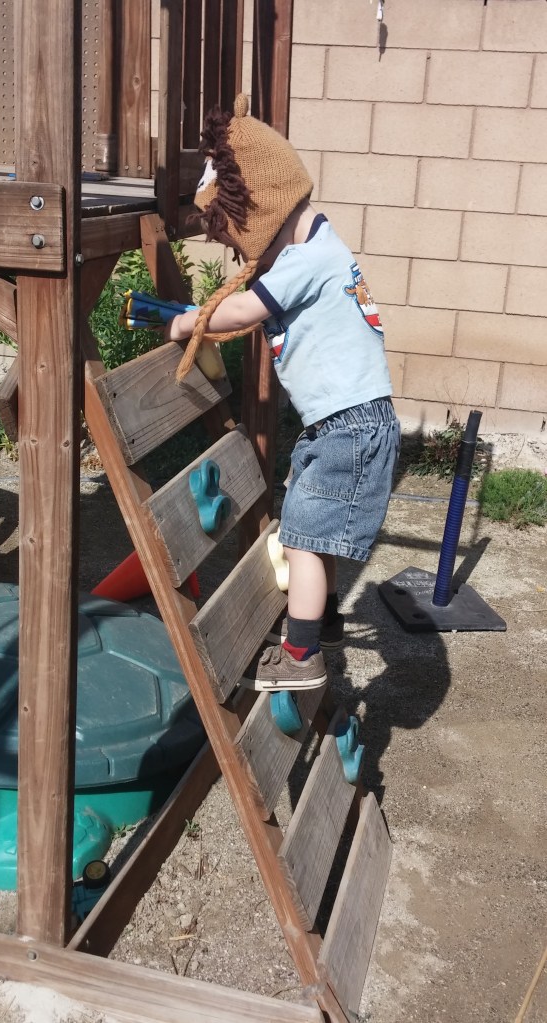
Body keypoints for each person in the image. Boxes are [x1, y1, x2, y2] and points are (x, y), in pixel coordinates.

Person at [166, 94, 400, 693]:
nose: (245, 256)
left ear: (263, 209)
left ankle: (300, 655)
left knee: (302, 536)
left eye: (241, 240)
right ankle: (317, 626)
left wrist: (190, 321)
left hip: (349, 425)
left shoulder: (303, 259)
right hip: (351, 423)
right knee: (308, 528)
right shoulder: (323, 244)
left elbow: (245, 307)